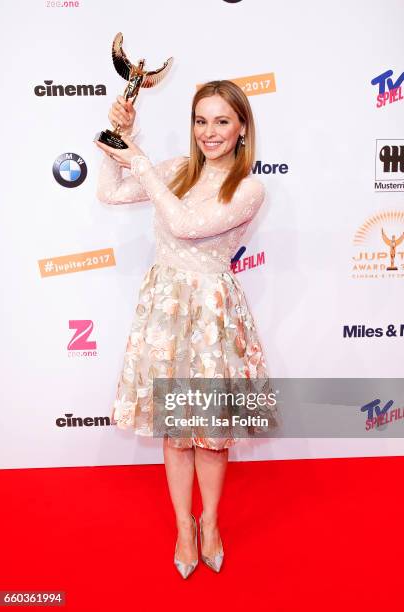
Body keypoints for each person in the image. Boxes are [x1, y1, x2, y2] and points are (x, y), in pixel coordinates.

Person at [94, 80, 275, 578]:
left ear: (242, 129)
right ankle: (182, 526)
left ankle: (210, 522)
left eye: (222, 121)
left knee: (212, 435)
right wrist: (118, 138)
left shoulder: (249, 188)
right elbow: (109, 192)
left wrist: (142, 162)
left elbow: (185, 226)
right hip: (166, 312)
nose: (209, 132)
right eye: (201, 120)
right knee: (177, 432)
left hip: (213, 316)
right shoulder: (175, 168)